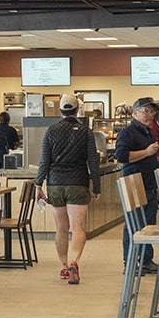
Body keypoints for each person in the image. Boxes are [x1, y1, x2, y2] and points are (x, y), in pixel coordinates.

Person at [35, 94, 101, 285]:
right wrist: (96, 186)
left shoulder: (51, 130)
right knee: (78, 228)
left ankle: (63, 267)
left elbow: (44, 161)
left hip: (55, 184)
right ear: (76, 109)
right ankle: (75, 262)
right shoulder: (85, 131)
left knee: (61, 229)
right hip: (78, 184)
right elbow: (93, 161)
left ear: (60, 110)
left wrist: (39, 185)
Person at [114, 97, 159, 273]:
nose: (150, 115)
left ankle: (146, 259)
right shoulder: (127, 133)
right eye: (146, 111)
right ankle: (130, 262)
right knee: (133, 223)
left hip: (149, 182)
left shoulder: (148, 132)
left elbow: (149, 156)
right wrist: (147, 152)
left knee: (148, 223)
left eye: (152, 111)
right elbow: (121, 156)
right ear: (135, 113)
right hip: (134, 183)